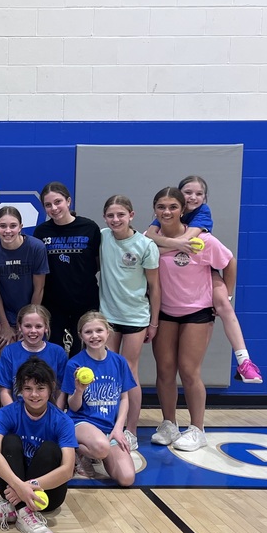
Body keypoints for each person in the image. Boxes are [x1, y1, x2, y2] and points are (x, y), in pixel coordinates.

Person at [145, 175, 263, 384]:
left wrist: (228, 291)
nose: (193, 197)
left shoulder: (202, 214)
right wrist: (165, 245)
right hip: (171, 303)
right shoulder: (166, 210)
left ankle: (244, 360)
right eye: (188, 192)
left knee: (224, 306)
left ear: (205, 198)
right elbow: (150, 236)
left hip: (208, 273)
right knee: (166, 369)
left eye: (199, 194)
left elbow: (185, 240)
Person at [150, 187, 237, 452]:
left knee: (188, 371)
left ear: (182, 209)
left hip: (196, 313)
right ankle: (168, 423)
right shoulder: (150, 240)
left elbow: (229, 261)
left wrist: (226, 295)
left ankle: (197, 429)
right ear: (154, 210)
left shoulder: (203, 240)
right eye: (161, 207)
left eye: (173, 207)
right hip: (164, 311)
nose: (167, 212)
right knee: (165, 370)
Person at [0, 358, 77, 533]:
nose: (34, 395)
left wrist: (26, 487)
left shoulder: (62, 421)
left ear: (51, 388)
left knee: (50, 449)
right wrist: (19, 486)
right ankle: (25, 514)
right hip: (10, 487)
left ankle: (11, 510)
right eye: (27, 389)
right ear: (19, 390)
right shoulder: (7, 413)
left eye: (40, 388)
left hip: (48, 494)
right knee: (9, 441)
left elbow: (67, 469)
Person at [98, 195, 160, 435]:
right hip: (108, 317)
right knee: (108, 372)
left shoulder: (145, 245)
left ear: (131, 216)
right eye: (111, 215)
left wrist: (153, 322)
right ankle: (108, 426)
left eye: (121, 215)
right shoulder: (102, 237)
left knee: (128, 370)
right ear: (105, 217)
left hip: (136, 318)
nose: (116, 219)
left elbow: (155, 287)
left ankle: (131, 430)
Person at [62, 312, 138, 486]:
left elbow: (124, 399)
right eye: (88, 332)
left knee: (126, 479)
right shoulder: (75, 364)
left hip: (109, 428)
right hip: (81, 423)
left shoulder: (119, 362)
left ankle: (96, 451)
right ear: (81, 335)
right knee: (101, 447)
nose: (94, 336)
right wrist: (79, 391)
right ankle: (76, 449)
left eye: (99, 330)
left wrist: (119, 428)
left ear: (107, 332)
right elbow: (72, 407)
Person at [33, 182, 101, 356]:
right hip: (54, 305)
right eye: (48, 205)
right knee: (57, 354)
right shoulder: (41, 232)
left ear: (68, 201)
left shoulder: (89, 227)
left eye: (58, 202)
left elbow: (98, 262)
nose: (54, 208)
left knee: (84, 354)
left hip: (85, 303)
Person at [0, 206, 49, 352]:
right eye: (2, 226)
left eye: (13, 226)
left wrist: (28, 323)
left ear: (21, 227)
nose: (8, 231)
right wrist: (5, 325)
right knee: (3, 352)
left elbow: (39, 289)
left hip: (29, 308)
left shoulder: (36, 247)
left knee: (30, 355)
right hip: (3, 313)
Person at [0, 304, 68, 407]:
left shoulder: (58, 352)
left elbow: (61, 391)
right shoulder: (9, 352)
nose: (33, 331)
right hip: (17, 413)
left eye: (38, 326)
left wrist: (57, 416)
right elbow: (4, 391)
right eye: (28, 326)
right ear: (19, 327)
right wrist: (13, 417)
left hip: (49, 414)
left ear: (46, 327)